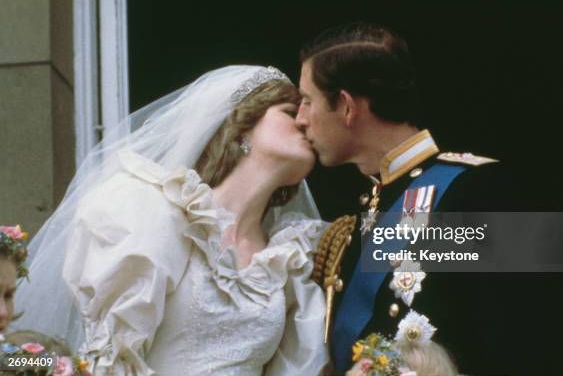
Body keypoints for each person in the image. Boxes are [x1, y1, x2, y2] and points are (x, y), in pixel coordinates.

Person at [14, 66, 328, 376]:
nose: (304, 122)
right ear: (244, 123)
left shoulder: (290, 257)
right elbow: (110, 359)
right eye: (289, 111)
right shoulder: (151, 213)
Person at [296, 23, 515, 375]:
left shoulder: (471, 190)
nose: (300, 119)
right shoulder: (363, 210)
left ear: (347, 107)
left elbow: (515, 335)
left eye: (307, 101)